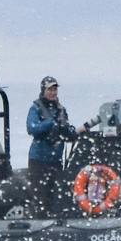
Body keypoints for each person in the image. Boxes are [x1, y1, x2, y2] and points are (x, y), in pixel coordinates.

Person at [25, 76, 80, 212]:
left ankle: (54, 218)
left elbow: (66, 132)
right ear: (43, 91)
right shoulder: (36, 108)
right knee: (40, 196)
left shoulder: (61, 110)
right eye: (49, 89)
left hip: (56, 161)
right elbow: (32, 128)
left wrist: (72, 133)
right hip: (39, 160)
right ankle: (39, 219)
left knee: (57, 196)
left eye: (54, 89)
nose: (53, 92)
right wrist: (50, 123)